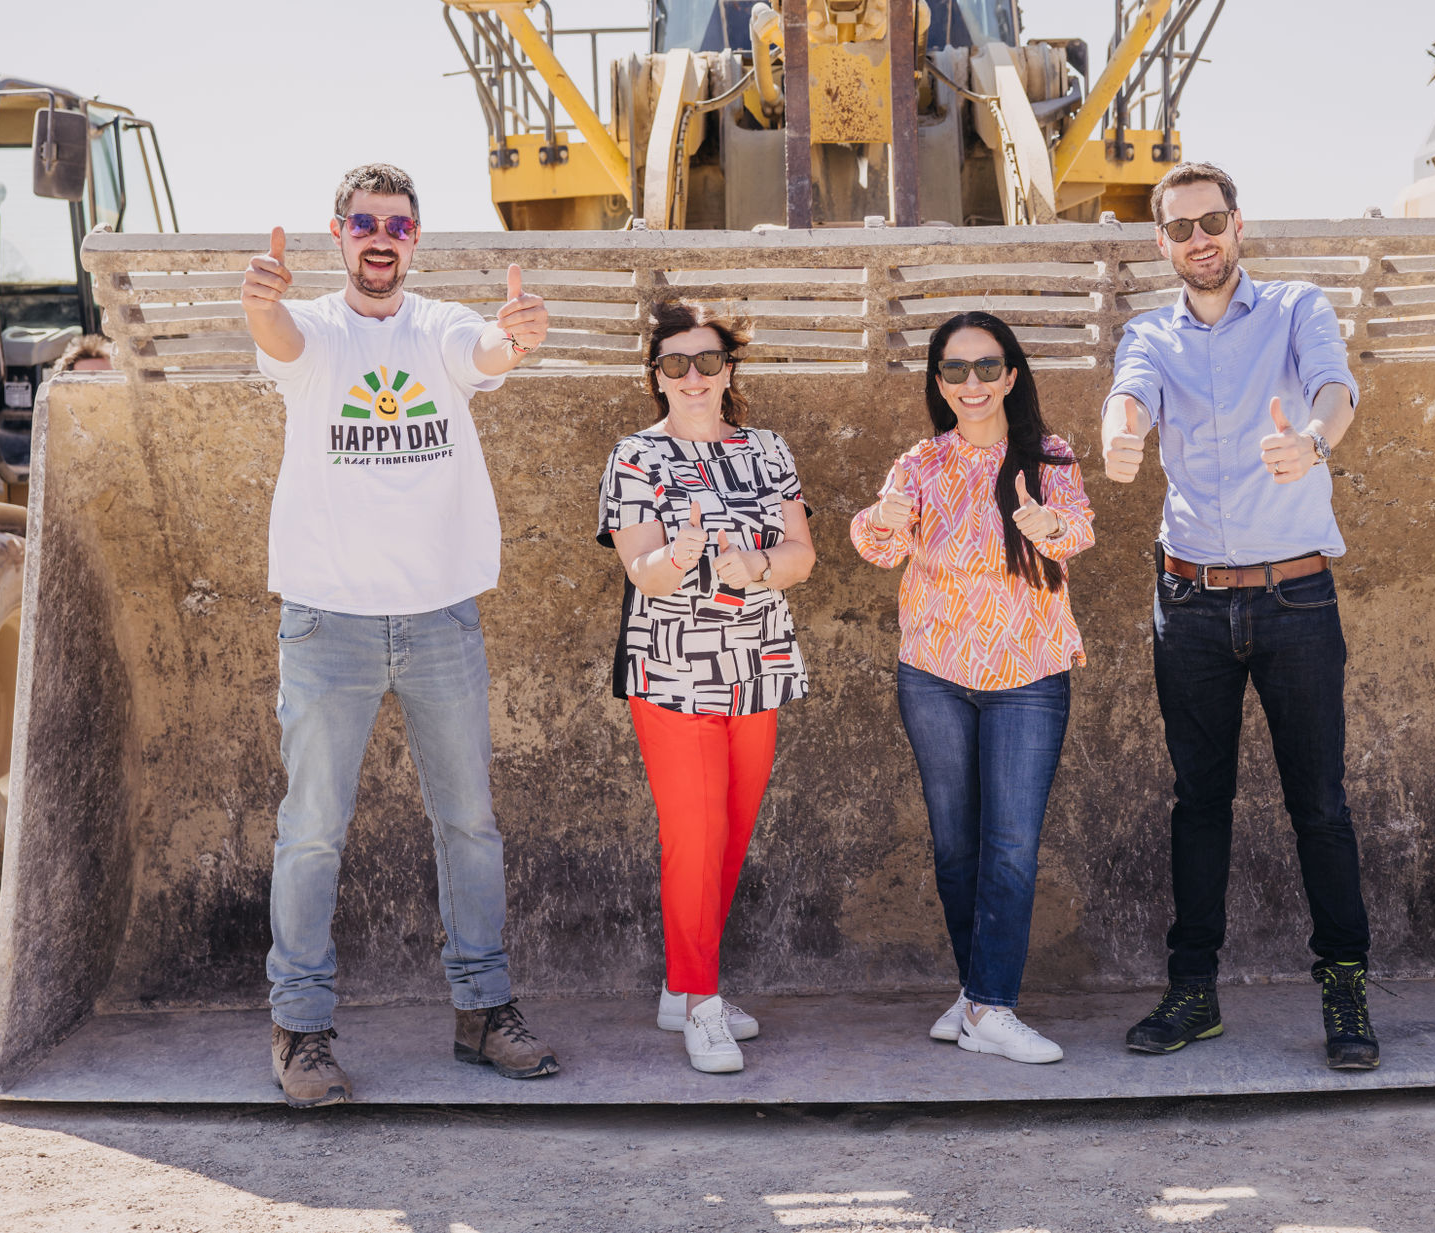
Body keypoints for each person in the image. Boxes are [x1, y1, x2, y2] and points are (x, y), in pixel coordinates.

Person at [241, 162, 558, 1107]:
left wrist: (516, 335)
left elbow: (487, 352)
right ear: (339, 235)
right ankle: (300, 1028)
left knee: (469, 825)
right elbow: (280, 341)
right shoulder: (314, 331)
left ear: (416, 240)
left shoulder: (441, 326)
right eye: (365, 223)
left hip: (439, 617)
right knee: (311, 830)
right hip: (326, 621)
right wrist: (261, 304)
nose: (382, 238)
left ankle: (483, 1010)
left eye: (399, 225)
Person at [1100, 161, 1379, 1071]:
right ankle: (1193, 991)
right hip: (1189, 605)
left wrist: (1313, 441)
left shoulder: (1297, 308)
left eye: (1211, 221)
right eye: (1181, 228)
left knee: (1320, 804)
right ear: (1161, 243)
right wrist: (1119, 434)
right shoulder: (1150, 332)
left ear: (1238, 224)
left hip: (1297, 599)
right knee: (1198, 803)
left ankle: (1345, 988)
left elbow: (1335, 388)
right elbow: (1129, 394)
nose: (1200, 240)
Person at [852, 310, 1095, 1066]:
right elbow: (879, 548)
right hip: (935, 673)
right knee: (956, 847)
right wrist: (882, 516)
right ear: (939, 382)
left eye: (987, 366)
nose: (973, 382)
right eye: (956, 369)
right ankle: (975, 995)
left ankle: (990, 1005)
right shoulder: (920, 462)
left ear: (1011, 376)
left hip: (1029, 674)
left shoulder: (1048, 456)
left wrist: (1044, 523)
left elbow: (1077, 531)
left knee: (1011, 846)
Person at [597, 299, 816, 1075]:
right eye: (675, 363)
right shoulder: (635, 456)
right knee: (692, 837)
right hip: (672, 671)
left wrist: (758, 564)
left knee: (728, 835)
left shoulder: (767, 448)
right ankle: (702, 1004)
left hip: (757, 663)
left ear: (729, 371)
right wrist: (678, 554)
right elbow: (642, 572)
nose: (693, 376)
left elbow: (801, 555)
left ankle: (681, 985)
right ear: (656, 376)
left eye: (708, 361)